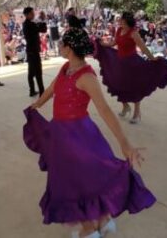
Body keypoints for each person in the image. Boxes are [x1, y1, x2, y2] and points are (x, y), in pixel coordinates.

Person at [23, 24, 155, 238]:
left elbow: (104, 110)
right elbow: (53, 88)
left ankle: (89, 229)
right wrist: (37, 104)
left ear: (70, 48)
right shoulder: (66, 68)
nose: (59, 46)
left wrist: (124, 143)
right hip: (61, 133)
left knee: (74, 182)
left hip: (78, 135)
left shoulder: (86, 77)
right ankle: (103, 222)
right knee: (81, 180)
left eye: (62, 43)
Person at [94, 12, 167, 124]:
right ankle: (125, 106)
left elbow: (143, 47)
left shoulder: (133, 33)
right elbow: (113, 44)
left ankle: (137, 113)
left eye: (121, 19)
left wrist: (152, 58)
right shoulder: (119, 30)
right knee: (117, 83)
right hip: (120, 63)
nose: (119, 20)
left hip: (132, 64)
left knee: (135, 86)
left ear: (126, 20)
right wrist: (103, 44)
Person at [23, 7, 45, 97]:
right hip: (33, 51)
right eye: (32, 13)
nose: (33, 15)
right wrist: (42, 20)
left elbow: (41, 29)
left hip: (31, 50)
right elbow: (43, 29)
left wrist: (40, 22)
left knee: (31, 72)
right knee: (38, 72)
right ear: (27, 15)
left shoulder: (27, 24)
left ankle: (32, 90)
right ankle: (42, 92)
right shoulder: (29, 24)